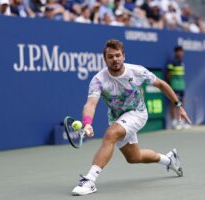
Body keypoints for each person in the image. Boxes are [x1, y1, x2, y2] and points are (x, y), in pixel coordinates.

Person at [71, 39, 191, 196]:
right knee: (134, 157)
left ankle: (89, 180)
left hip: (137, 113)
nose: (115, 59)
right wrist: (87, 123)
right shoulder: (98, 80)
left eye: (118, 55)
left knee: (110, 134)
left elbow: (161, 84)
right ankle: (169, 160)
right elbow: (90, 104)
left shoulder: (137, 71)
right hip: (117, 117)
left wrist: (178, 105)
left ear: (124, 56)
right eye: (111, 56)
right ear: (105, 59)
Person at [166, 45, 189, 129]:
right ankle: (174, 122)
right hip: (174, 84)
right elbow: (168, 74)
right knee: (173, 103)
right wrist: (170, 84)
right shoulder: (172, 62)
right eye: (178, 51)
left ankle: (181, 121)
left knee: (181, 102)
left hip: (181, 85)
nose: (180, 53)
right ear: (175, 52)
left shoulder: (182, 62)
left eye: (181, 51)